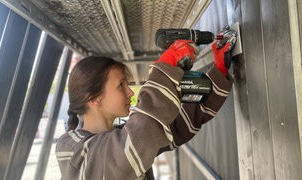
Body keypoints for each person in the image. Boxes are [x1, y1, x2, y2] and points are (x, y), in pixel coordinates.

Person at [56, 28, 236, 180]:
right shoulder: (70, 149)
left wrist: (218, 71)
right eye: (121, 85)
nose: (130, 92)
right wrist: (164, 69)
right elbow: (135, 142)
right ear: (93, 98)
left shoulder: (121, 137)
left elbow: (177, 125)